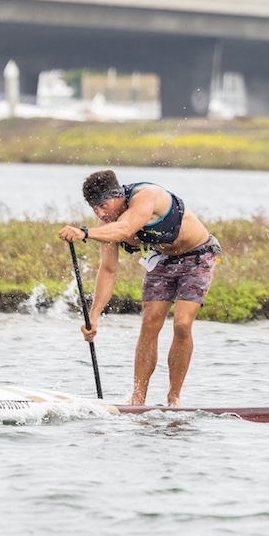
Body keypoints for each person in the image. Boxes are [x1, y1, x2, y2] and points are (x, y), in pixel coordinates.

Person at [58, 170, 222, 406]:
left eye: (103, 205)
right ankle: (138, 398)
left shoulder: (147, 195)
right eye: (95, 209)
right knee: (149, 323)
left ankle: (174, 398)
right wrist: (94, 316)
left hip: (198, 257)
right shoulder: (106, 223)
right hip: (162, 259)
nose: (101, 214)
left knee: (182, 323)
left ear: (118, 195)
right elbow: (108, 270)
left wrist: (84, 233)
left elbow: (125, 229)